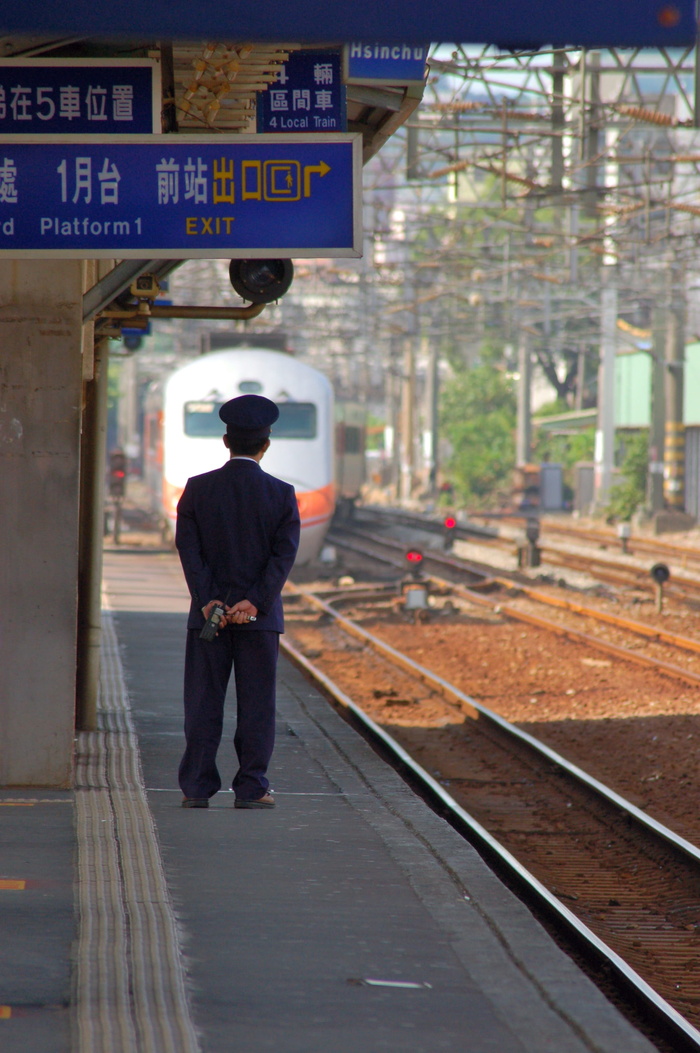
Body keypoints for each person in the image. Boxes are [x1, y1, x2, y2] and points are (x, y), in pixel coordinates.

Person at [175, 393, 300, 809]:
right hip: (258, 622)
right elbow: (283, 556)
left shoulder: (197, 490)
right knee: (257, 707)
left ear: (226, 442)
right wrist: (255, 602)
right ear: (266, 445)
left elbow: (189, 552)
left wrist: (209, 601)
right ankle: (251, 787)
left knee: (203, 703)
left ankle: (196, 787)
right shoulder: (282, 495)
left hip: (208, 619)